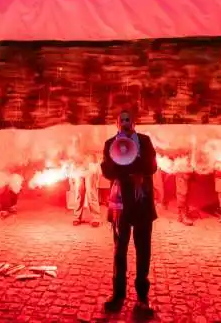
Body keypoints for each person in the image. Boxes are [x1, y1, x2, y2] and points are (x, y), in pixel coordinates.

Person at [101, 110, 157, 315]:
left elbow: (153, 167)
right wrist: (115, 155)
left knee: (143, 252)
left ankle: (142, 298)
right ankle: (118, 295)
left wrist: (136, 158)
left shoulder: (145, 141)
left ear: (134, 122)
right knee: (119, 252)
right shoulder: (110, 144)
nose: (125, 123)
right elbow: (107, 173)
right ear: (117, 123)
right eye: (121, 120)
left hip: (141, 203)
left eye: (128, 119)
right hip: (121, 205)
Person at [72, 153, 102, 227]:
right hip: (78, 165)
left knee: (91, 192)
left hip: (90, 164)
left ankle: (95, 218)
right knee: (79, 192)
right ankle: (77, 217)